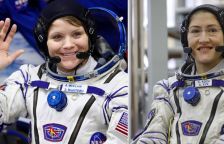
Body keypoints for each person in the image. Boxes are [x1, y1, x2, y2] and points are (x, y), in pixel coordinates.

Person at [0, 0, 128, 143]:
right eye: (57, 37)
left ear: (90, 37)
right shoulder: (29, 79)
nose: (68, 45)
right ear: (44, 43)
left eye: (77, 34)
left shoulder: (119, 86)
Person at [133, 4, 224, 144]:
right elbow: (152, 138)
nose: (203, 39)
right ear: (186, 40)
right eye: (195, 31)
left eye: (212, 30)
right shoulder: (169, 88)